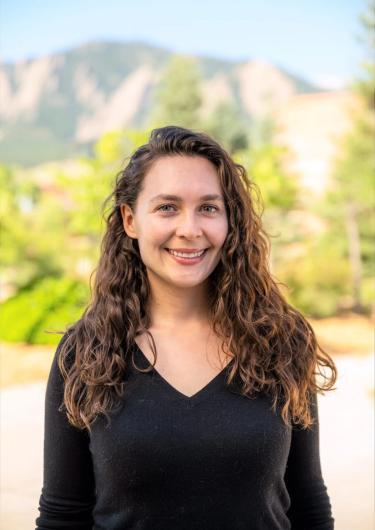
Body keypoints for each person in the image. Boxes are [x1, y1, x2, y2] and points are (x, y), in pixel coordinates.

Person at [35, 125, 337, 530]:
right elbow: (62, 516)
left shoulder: (280, 343)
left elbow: (309, 507)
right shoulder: (85, 353)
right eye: (167, 207)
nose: (190, 229)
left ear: (230, 221)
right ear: (130, 220)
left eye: (209, 208)